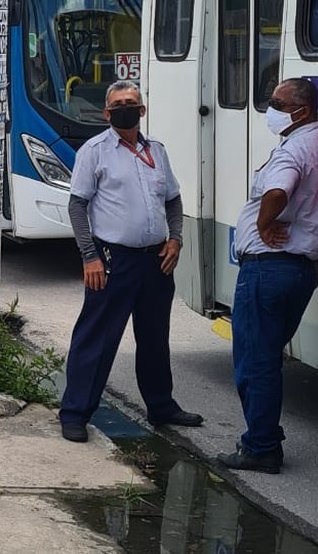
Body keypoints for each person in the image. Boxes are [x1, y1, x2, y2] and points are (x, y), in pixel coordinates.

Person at [59, 79, 202, 443]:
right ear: (107, 113)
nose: (126, 107)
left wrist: (176, 237)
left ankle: (162, 407)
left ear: (142, 110)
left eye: (132, 102)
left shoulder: (157, 151)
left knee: (154, 337)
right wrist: (89, 256)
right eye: (118, 103)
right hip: (112, 261)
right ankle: (75, 412)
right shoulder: (95, 151)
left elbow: (173, 198)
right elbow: (78, 204)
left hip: (156, 262)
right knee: (97, 339)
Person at [217, 78, 318, 474]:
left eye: (277, 102)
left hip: (268, 268)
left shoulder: (294, 150)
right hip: (301, 269)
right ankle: (264, 438)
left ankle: (260, 447)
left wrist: (263, 220)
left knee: (256, 360)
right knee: (268, 356)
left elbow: (277, 191)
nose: (270, 108)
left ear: (302, 110)